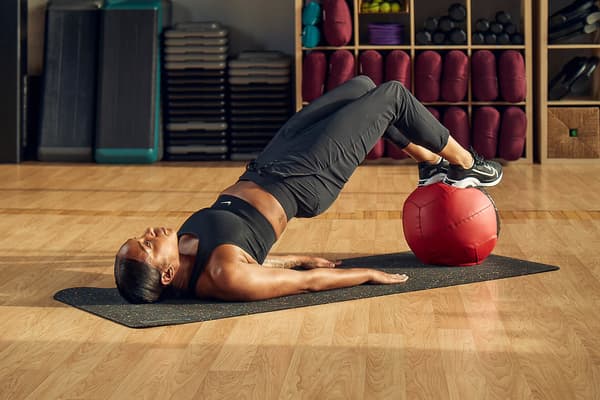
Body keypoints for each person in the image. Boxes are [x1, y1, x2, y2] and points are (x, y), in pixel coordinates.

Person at [114, 76, 503, 303]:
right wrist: (366, 274)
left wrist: (298, 257)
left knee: (361, 87)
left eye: (140, 237)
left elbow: (258, 259)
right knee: (392, 95)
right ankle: (469, 165)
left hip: (272, 161)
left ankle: (432, 164)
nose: (149, 234)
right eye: (146, 246)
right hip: (305, 178)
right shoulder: (222, 276)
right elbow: (306, 284)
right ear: (166, 275)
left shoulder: (183, 250)